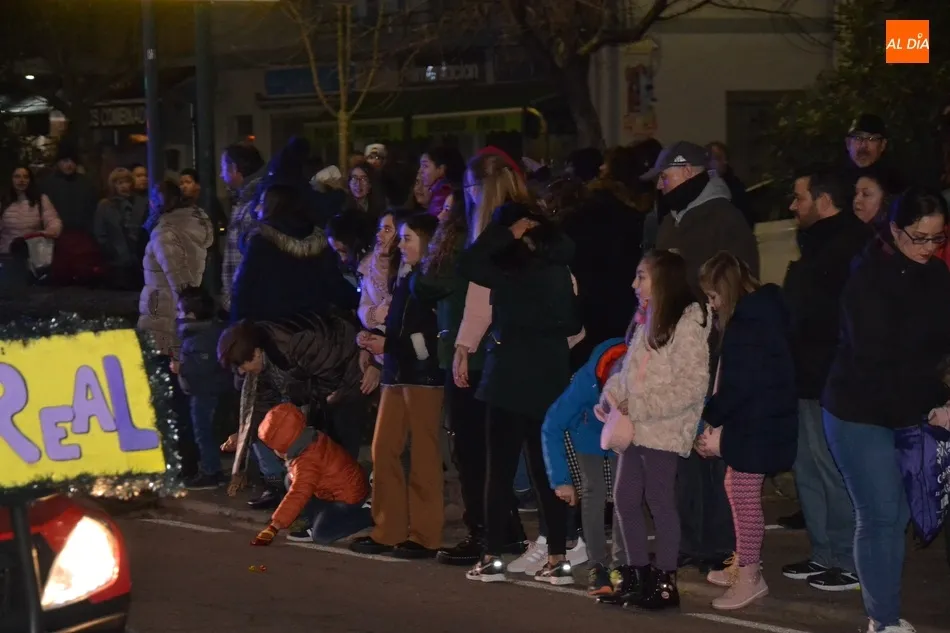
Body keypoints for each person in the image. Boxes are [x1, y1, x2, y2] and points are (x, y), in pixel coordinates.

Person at [822, 188, 950, 633]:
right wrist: (931, 407)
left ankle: (884, 613)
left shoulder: (937, 275)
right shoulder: (869, 279)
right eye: (919, 237)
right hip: (858, 409)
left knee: (897, 516)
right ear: (895, 230)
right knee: (880, 514)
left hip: (908, 404)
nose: (929, 248)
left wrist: (940, 395)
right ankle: (883, 620)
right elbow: (876, 363)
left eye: (938, 238)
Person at [458, 201, 581, 585]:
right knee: (548, 471)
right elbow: (573, 324)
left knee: (499, 472)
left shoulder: (508, 269)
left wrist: (503, 235)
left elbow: (469, 264)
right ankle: (558, 558)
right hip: (549, 378)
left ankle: (492, 557)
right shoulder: (561, 270)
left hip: (508, 379)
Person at [598, 249, 711, 611]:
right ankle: (637, 575)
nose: (634, 284)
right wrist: (611, 396)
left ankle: (664, 582)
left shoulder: (687, 323)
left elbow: (693, 385)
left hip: (662, 428)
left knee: (659, 500)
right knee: (626, 498)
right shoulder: (647, 319)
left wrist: (640, 405)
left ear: (662, 280)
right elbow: (629, 371)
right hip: (636, 426)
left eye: (641, 277)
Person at [697, 252, 798, 610]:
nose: (712, 305)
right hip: (763, 418)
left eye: (713, 296)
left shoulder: (748, 324)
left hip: (757, 421)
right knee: (738, 487)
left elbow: (739, 384)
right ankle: (743, 565)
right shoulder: (764, 313)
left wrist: (710, 415)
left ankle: (751, 576)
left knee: (743, 494)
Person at [217, 310, 367, 504]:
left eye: (241, 365)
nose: (241, 371)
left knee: (340, 448)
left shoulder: (296, 341)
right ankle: (323, 503)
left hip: (348, 378)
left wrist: (326, 398)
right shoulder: (263, 359)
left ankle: (348, 503)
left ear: (256, 352)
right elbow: (262, 405)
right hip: (322, 393)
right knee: (319, 453)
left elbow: (331, 369)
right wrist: (243, 436)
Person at [542, 337, 627, 595]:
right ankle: (597, 564)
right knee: (593, 491)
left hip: (626, 431)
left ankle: (622, 565)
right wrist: (561, 481)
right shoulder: (585, 383)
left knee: (625, 494)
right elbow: (551, 425)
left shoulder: (643, 372)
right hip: (589, 431)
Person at [250, 403, 372, 546]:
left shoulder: (307, 460)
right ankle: (315, 520)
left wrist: (274, 526)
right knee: (290, 479)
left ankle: (369, 513)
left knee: (322, 535)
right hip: (335, 490)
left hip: (348, 498)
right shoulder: (309, 437)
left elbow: (299, 492)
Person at [175, 285, 233, 490]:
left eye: (179, 310)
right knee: (205, 432)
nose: (177, 315)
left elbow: (204, 366)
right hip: (203, 390)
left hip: (205, 392)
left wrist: (182, 367)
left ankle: (211, 472)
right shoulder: (199, 332)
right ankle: (212, 470)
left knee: (204, 432)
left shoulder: (204, 335)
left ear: (190, 314)